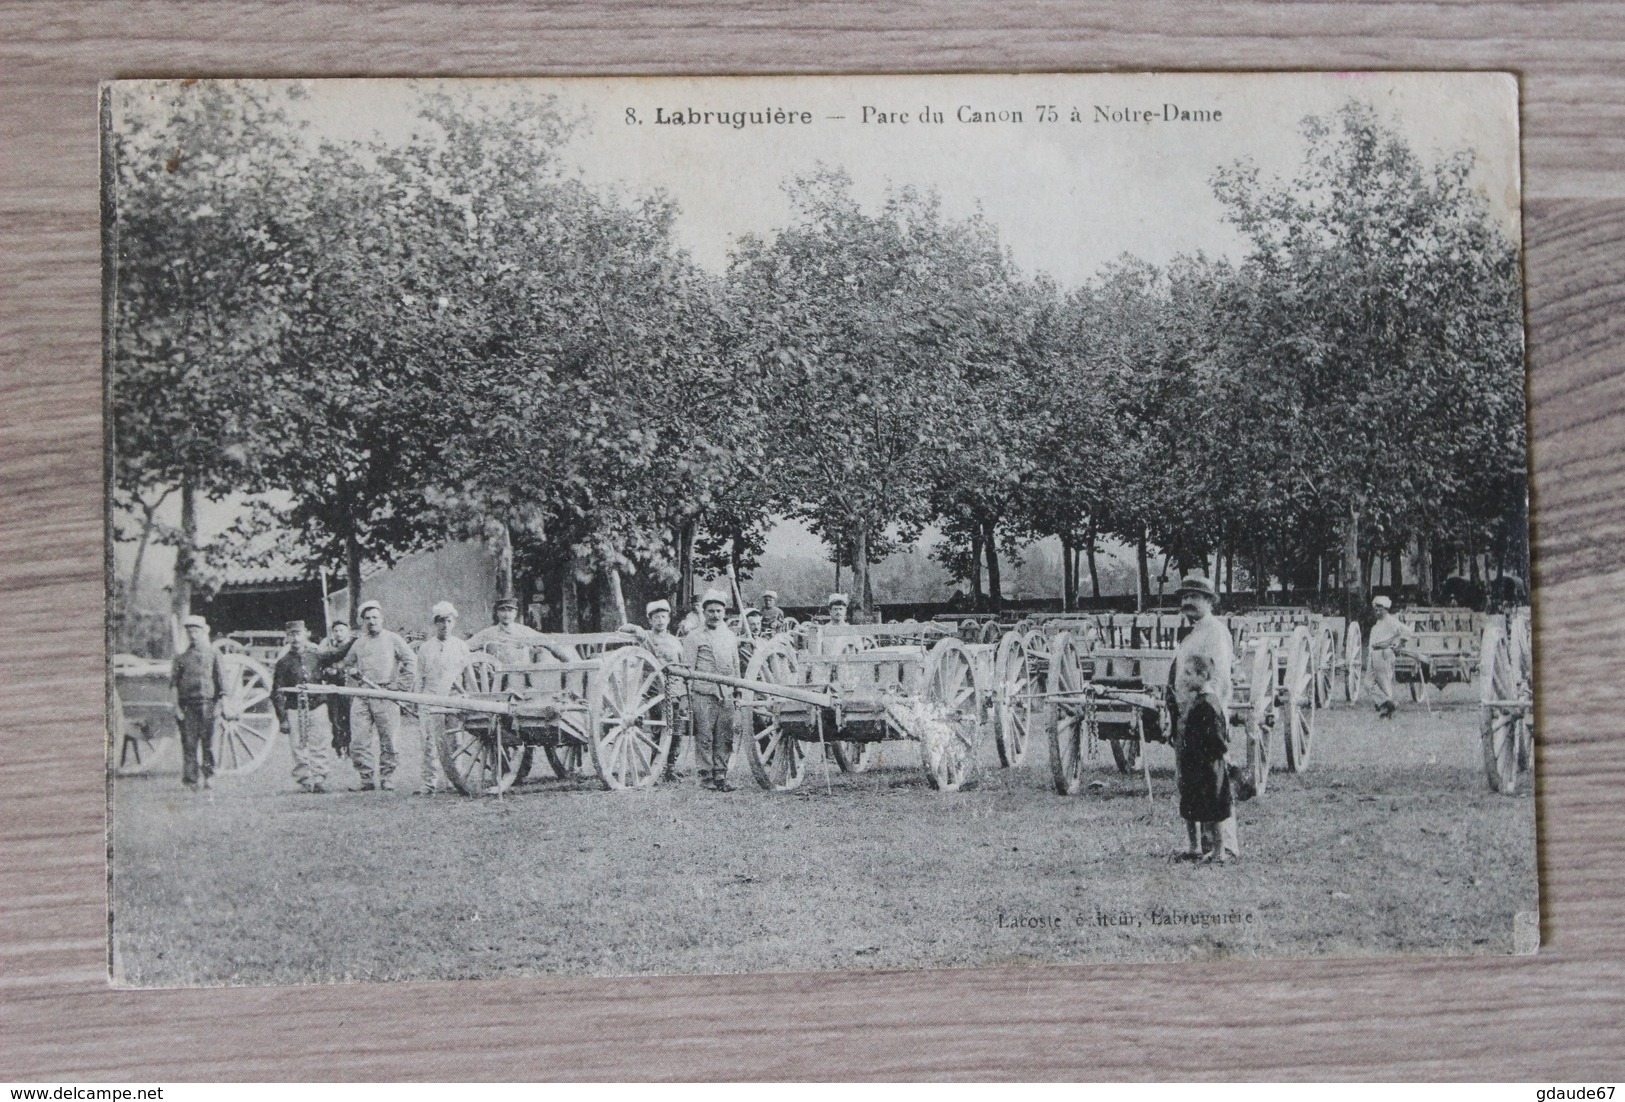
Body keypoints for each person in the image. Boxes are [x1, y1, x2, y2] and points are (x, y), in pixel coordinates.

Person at [1167, 574, 1236, 856]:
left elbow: (1217, 677)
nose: (1187, 602)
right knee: (1192, 782)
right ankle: (1200, 846)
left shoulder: (1216, 633)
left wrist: (1205, 711)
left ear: (1209, 601)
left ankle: (1225, 846)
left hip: (1205, 719)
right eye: (1184, 597)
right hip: (1187, 717)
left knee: (1215, 783)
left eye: (1194, 597)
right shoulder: (1194, 633)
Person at [332, 600, 417, 791]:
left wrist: (400, 687)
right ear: (363, 621)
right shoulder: (359, 643)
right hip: (363, 695)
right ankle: (366, 779)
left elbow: (411, 660)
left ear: (382, 619)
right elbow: (347, 663)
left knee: (389, 739)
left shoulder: (393, 639)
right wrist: (351, 674)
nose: (372, 621)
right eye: (367, 618)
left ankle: (388, 777)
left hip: (385, 694)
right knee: (359, 740)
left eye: (375, 617)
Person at [1172, 654, 1235, 863]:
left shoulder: (1209, 704)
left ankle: (1219, 851)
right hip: (1193, 765)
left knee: (1214, 809)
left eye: (1189, 673)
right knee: (1190, 806)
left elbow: (1217, 738)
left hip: (1208, 766)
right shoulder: (1197, 700)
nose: (1185, 678)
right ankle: (1194, 847)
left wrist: (1219, 756)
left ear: (1204, 675)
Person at [679, 589, 740, 791]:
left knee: (725, 736)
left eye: (719, 611)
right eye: (711, 611)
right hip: (703, 693)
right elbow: (687, 670)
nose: (715, 615)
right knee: (705, 737)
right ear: (704, 612)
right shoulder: (694, 637)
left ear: (724, 613)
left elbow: (735, 664)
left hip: (726, 693)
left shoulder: (730, 636)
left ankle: (721, 776)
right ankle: (706, 778)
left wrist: (737, 689)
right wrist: (684, 698)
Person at [621, 599, 687, 779]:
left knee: (677, 731)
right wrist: (636, 628)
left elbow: (683, 666)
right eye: (656, 617)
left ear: (668, 619)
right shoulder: (644, 638)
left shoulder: (675, 642)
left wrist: (683, 692)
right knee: (660, 730)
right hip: (654, 691)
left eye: (663, 617)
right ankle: (654, 768)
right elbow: (624, 629)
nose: (660, 620)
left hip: (674, 690)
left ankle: (670, 769)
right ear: (650, 620)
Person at [414, 601, 471, 795]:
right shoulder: (425, 648)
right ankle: (429, 783)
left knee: (456, 741)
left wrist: (468, 698)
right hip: (430, 699)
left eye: (448, 621)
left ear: (453, 623)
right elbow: (419, 677)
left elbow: (468, 676)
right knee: (429, 743)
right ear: (434, 623)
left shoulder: (461, 647)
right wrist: (418, 702)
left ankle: (455, 780)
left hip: (454, 700)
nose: (444, 625)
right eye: (440, 621)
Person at [271, 620, 330, 794]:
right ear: (287, 637)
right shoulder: (283, 662)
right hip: (294, 709)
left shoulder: (316, 656)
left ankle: (319, 779)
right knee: (298, 746)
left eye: (298, 634)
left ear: (306, 634)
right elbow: (277, 692)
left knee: (320, 743)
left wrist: (350, 642)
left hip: (317, 706)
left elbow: (335, 657)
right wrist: (282, 719)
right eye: (291, 634)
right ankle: (305, 780)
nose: (295, 638)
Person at [170, 615, 229, 791]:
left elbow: (222, 682)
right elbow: (173, 685)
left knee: (208, 743)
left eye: (196, 631)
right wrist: (176, 708)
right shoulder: (181, 658)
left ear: (204, 632)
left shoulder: (213, 655)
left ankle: (209, 776)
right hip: (188, 707)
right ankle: (191, 780)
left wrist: (223, 704)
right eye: (189, 631)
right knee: (189, 744)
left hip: (208, 704)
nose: (193, 635)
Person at [1367, 595, 1414, 719]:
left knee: (1384, 682)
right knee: (1368, 683)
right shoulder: (1378, 623)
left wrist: (1400, 644)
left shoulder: (1391, 621)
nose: (1377, 611)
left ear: (1386, 609)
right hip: (1374, 653)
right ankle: (1387, 703)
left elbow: (1407, 631)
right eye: (1375, 608)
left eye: (1380, 608)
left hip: (1384, 653)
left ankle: (1388, 711)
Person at [467, 597, 545, 665]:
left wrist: (530, 641)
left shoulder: (525, 631)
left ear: (515, 613)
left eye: (510, 611)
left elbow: (546, 641)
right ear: (497, 613)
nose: (506, 615)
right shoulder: (488, 633)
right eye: (502, 610)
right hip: (496, 678)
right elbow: (465, 646)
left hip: (521, 676)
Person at [319, 619, 355, 759]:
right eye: (336, 631)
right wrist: (328, 670)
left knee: (350, 718)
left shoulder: (353, 647)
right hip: (333, 688)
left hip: (349, 687)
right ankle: (339, 747)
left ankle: (350, 746)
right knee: (335, 719)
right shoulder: (328, 648)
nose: (339, 633)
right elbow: (321, 665)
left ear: (347, 631)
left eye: (341, 630)